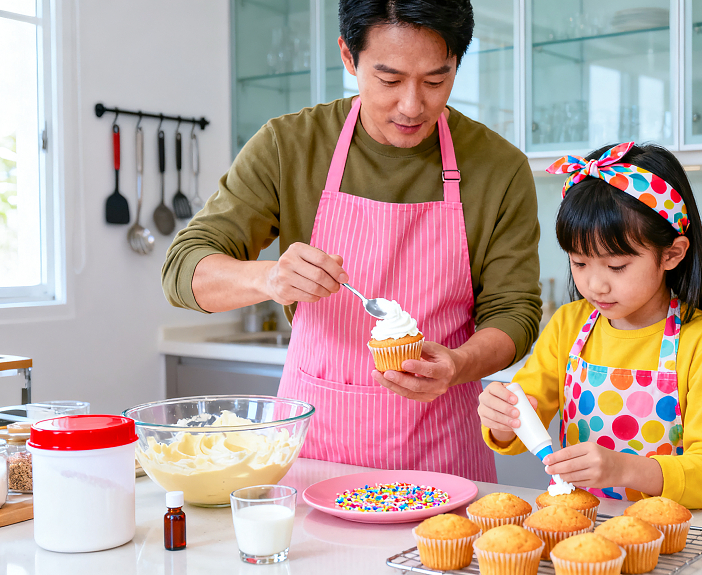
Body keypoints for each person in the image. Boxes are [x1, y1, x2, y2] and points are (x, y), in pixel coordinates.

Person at [162, 0, 542, 482]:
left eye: (435, 81)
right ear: (348, 56)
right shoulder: (291, 144)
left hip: (443, 458)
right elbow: (182, 272)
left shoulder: (497, 166)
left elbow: (516, 311)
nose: (411, 105)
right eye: (389, 80)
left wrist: (458, 363)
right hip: (313, 455)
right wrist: (270, 277)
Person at [477, 142, 702, 508]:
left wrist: (624, 469)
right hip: (584, 532)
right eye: (580, 263)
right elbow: (522, 422)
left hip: (677, 537)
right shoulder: (568, 325)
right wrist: (504, 419)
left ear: (672, 254)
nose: (595, 285)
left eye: (616, 266)